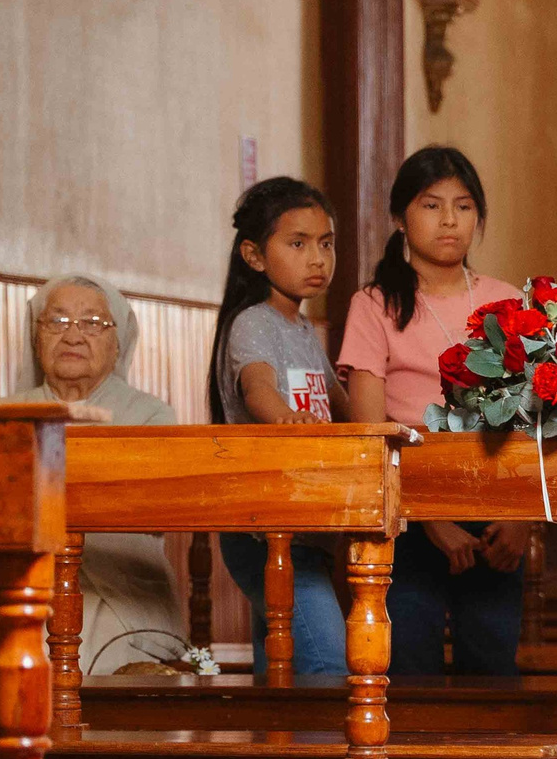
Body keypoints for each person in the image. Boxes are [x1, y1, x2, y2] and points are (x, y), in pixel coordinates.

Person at [0, 274, 182, 675]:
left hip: (109, 588)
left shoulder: (150, 417)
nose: (73, 336)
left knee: (101, 670)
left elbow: (150, 506)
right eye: (57, 322)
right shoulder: (0, 412)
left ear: (117, 342)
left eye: (92, 323)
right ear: (36, 339)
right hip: (3, 584)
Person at [339, 146, 530, 676]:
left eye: (464, 206)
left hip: (496, 515)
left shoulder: (509, 303)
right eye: (431, 205)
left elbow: (536, 420)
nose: (449, 220)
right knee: (409, 672)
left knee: (492, 671)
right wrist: (429, 520)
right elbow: (370, 432)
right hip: (404, 517)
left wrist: (522, 521)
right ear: (401, 217)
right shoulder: (374, 305)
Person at [207, 176, 347, 677]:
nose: (317, 259)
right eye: (298, 243)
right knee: (329, 659)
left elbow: (341, 401)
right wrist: (286, 419)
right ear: (254, 255)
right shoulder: (253, 322)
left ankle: (280, 753)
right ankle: (325, 758)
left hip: (303, 526)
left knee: (282, 670)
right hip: (263, 528)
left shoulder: (303, 327)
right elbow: (257, 387)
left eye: (326, 244)